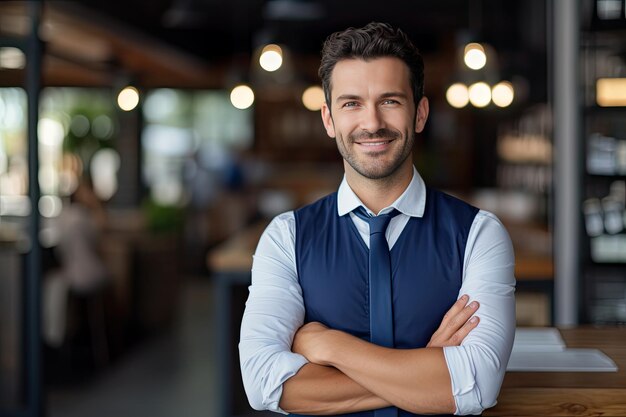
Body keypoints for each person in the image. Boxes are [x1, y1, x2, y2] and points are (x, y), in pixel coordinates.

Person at [239, 22, 515, 416]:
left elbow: (480, 383)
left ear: (420, 113)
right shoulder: (285, 237)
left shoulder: (479, 234)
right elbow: (262, 382)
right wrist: (425, 369)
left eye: (390, 101)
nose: (371, 123)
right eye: (351, 103)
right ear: (329, 119)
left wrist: (328, 345)